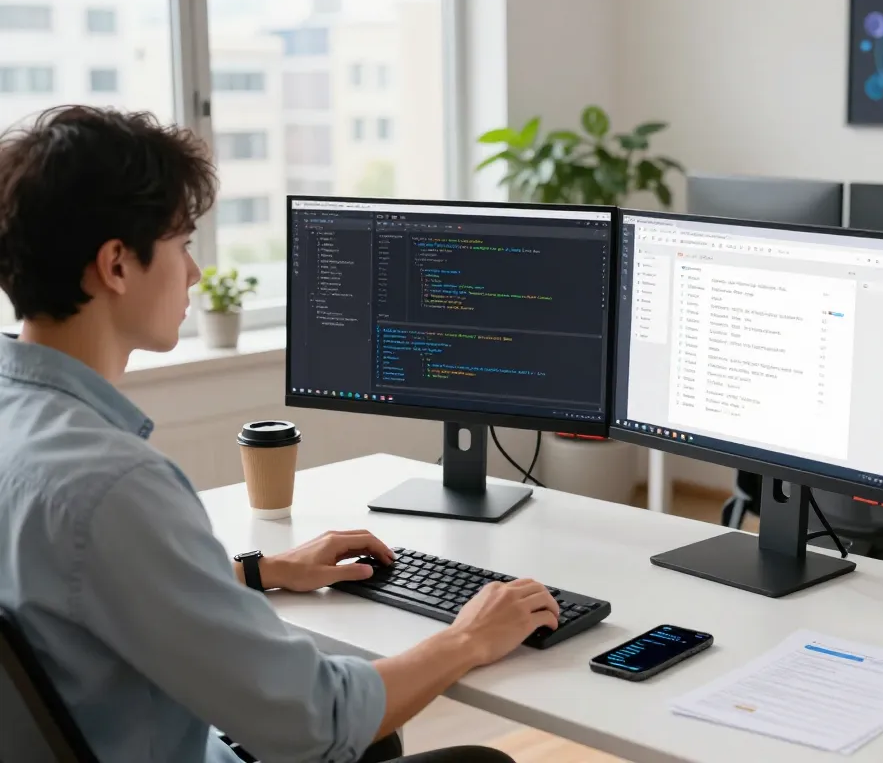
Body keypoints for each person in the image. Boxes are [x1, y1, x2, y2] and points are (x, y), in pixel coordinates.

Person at [0, 106, 560, 763]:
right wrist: (467, 639)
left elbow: (78, 593)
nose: (195, 274)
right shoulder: (112, 486)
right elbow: (317, 722)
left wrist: (260, 571)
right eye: (182, 245)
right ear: (117, 265)